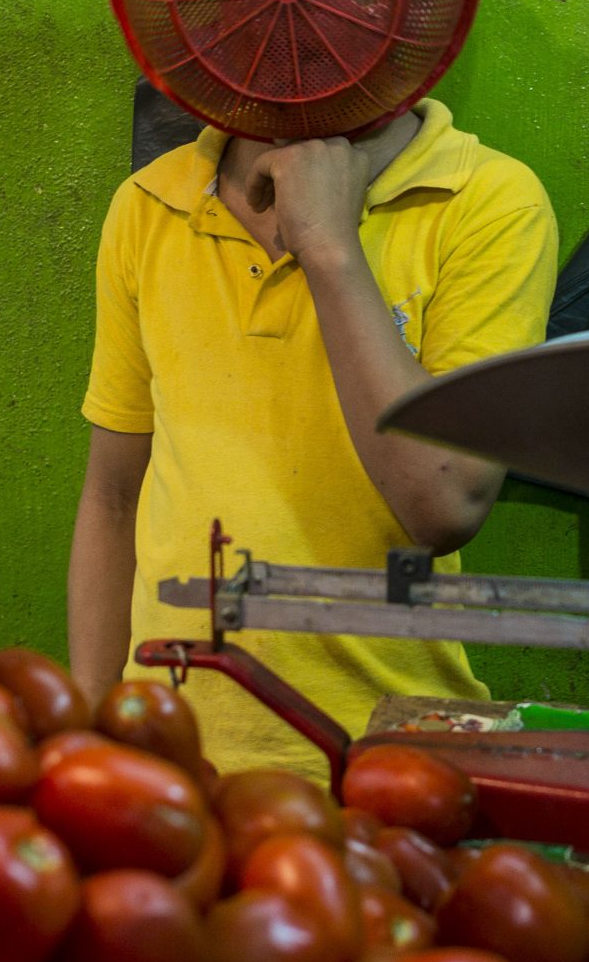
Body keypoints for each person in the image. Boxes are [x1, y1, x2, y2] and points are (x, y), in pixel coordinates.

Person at [67, 103, 559, 779]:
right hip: (169, 760)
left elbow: (444, 504)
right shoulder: (150, 203)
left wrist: (330, 246)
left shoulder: (485, 201)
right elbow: (114, 498)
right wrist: (94, 731)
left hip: (386, 763)